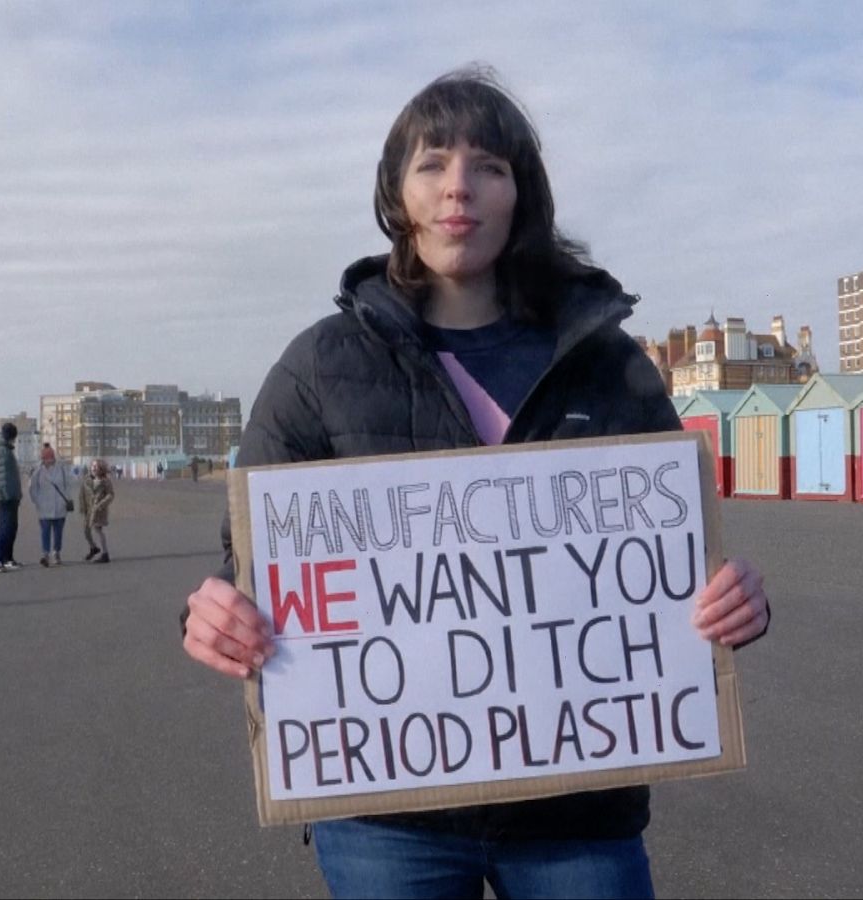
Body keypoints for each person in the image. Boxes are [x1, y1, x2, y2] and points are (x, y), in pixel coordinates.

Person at [179, 69, 771, 899]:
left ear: (521, 194)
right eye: (431, 164)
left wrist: (734, 601)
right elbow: (248, 563)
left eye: (489, 166)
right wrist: (210, 613)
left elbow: (676, 558)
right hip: (389, 815)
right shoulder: (321, 364)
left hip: (577, 810)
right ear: (397, 193)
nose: (458, 187)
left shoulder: (602, 360)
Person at [28, 444, 74, 567]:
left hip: (60, 505)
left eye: (51, 458)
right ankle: (45, 554)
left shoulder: (62, 469)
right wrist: (37, 501)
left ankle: (57, 552)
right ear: (42, 459)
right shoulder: (37, 472)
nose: (49, 460)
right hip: (44, 507)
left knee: (58, 532)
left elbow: (68, 485)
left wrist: (67, 499)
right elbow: (32, 488)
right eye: (46, 458)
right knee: (45, 531)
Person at [0, 422, 24, 574]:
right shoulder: (3, 452)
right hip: (5, 497)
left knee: (11, 527)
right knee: (5, 528)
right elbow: (3, 478)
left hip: (10, 496)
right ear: (11, 437)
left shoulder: (5, 450)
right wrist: (9, 495)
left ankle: (8, 559)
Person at [78, 458, 114, 563]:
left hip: (99, 509)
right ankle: (93, 547)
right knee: (86, 530)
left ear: (101, 469)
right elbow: (82, 494)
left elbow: (111, 494)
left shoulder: (105, 481)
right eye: (92, 466)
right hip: (88, 509)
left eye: (96, 466)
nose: (93, 468)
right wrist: (82, 507)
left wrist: (102, 504)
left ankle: (105, 553)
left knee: (98, 530)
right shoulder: (87, 479)